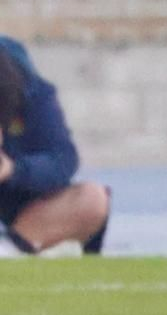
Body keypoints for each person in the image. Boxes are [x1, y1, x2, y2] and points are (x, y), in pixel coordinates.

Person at [0, 36, 111, 259]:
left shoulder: (32, 94)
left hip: (20, 203)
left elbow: (63, 159)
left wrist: (14, 170)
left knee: (92, 199)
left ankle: (13, 249)